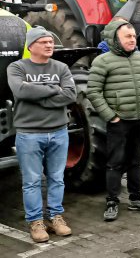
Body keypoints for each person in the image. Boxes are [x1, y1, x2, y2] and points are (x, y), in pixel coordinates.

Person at [7, 26, 76, 243]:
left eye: (50, 41)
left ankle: (55, 216)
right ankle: (35, 221)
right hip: (29, 134)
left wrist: (38, 94)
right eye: (44, 42)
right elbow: (20, 91)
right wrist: (54, 89)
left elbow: (71, 95)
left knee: (57, 178)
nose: (49, 45)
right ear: (31, 46)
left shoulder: (62, 67)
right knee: (32, 181)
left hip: (59, 131)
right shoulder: (17, 67)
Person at [87, 19, 140, 222]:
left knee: (136, 161)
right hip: (119, 122)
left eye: (134, 36)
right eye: (128, 36)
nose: (133, 39)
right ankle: (112, 201)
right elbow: (93, 91)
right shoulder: (102, 61)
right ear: (115, 38)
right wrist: (112, 116)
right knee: (115, 163)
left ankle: (136, 197)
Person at [98, 17, 140, 177]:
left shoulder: (137, 54)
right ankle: (138, 166)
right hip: (120, 105)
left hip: (139, 103)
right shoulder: (104, 52)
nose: (131, 38)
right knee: (125, 140)